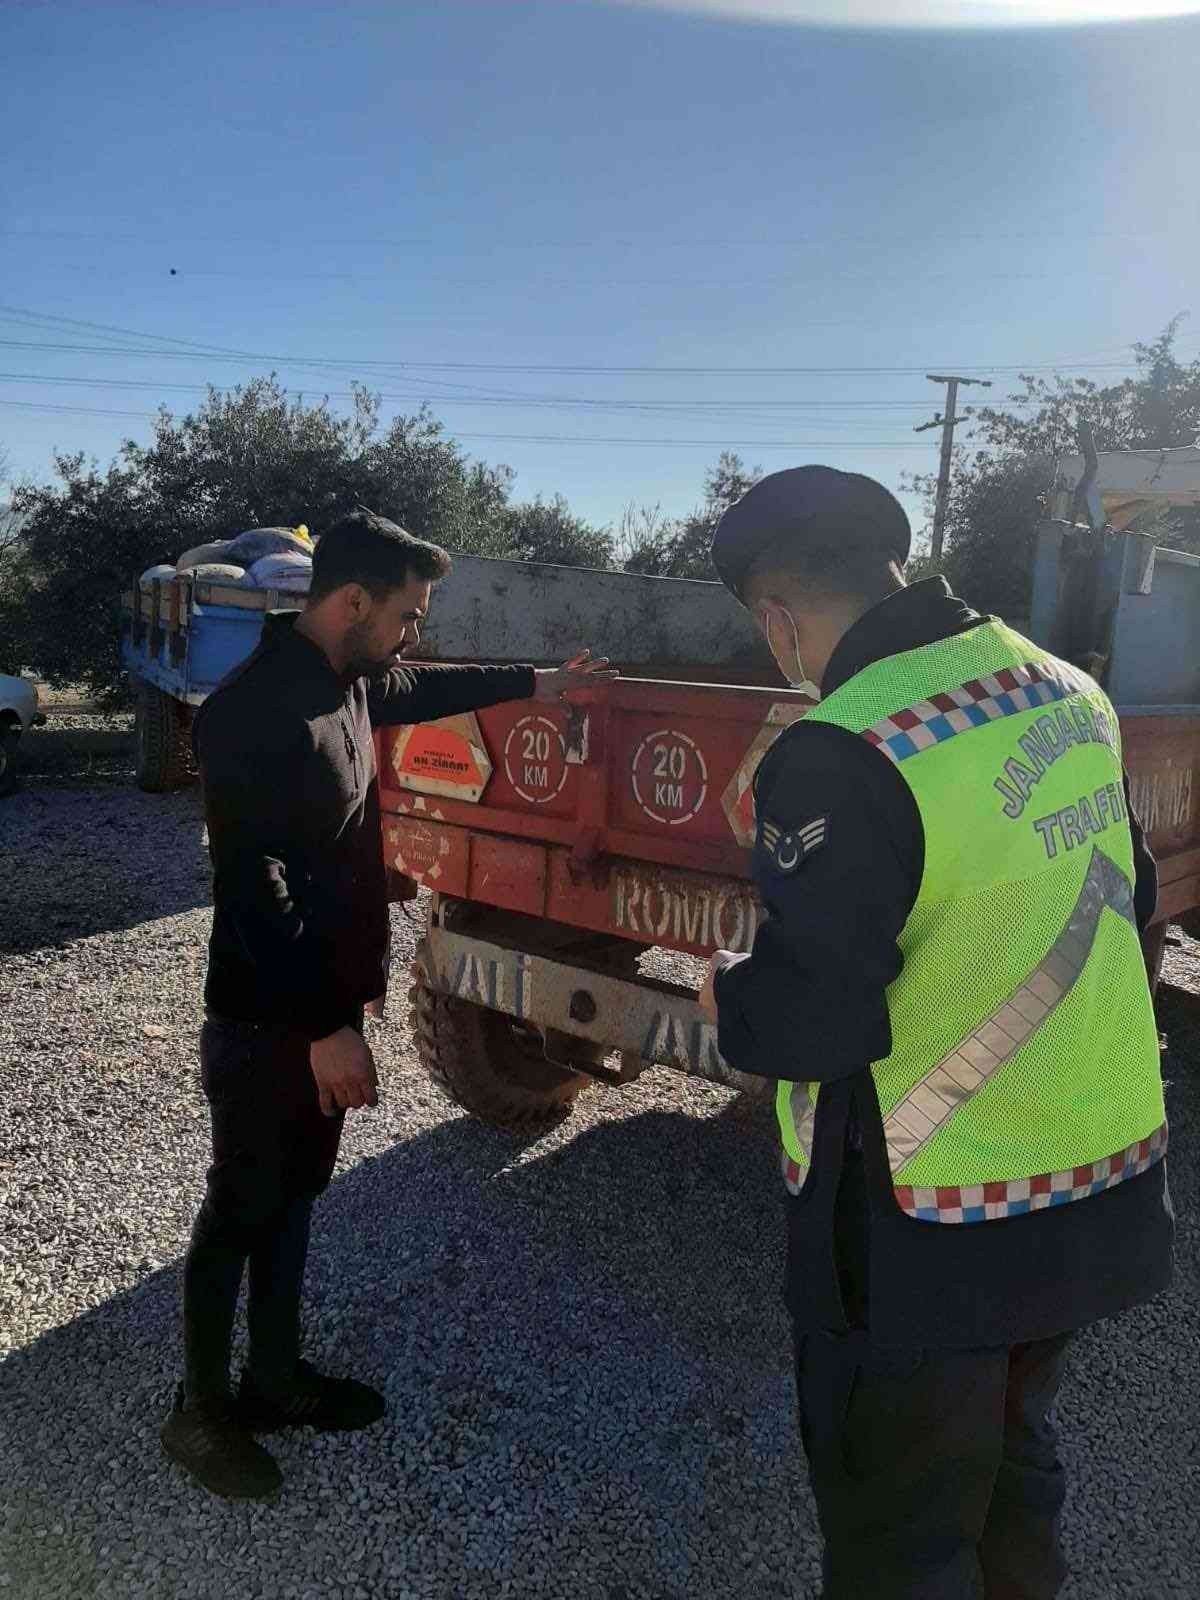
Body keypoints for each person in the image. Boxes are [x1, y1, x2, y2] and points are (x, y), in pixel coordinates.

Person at [698, 466, 1173, 1600]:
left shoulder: (847, 743)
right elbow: (1133, 899)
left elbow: (817, 1016)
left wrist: (733, 999)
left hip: (929, 1231)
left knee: (898, 1539)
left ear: (778, 616)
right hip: (1092, 1190)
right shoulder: (1069, 690)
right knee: (1014, 1476)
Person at [161, 509, 613, 1500]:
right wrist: (322, 1027)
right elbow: (255, 886)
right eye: (406, 614)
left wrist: (544, 683)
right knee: (239, 1208)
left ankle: (272, 1378)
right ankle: (198, 1413)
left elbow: (427, 684)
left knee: (294, 1202)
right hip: (265, 1018)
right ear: (353, 601)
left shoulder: (349, 680)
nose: (412, 634)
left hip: (325, 1005)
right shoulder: (253, 713)